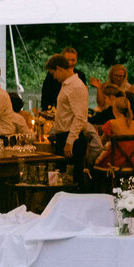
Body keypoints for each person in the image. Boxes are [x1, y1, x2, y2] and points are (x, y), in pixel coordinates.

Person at [47, 53, 99, 182]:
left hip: (72, 138)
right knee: (61, 178)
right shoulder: (67, 85)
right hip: (63, 135)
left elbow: (80, 117)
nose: (54, 77)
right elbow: (64, 114)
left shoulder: (76, 86)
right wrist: (53, 131)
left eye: (53, 73)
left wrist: (69, 142)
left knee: (71, 179)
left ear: (59, 68)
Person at [95, 86, 134, 172]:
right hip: (132, 164)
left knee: (92, 162)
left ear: (115, 109)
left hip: (113, 164)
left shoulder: (111, 123)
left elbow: (100, 144)